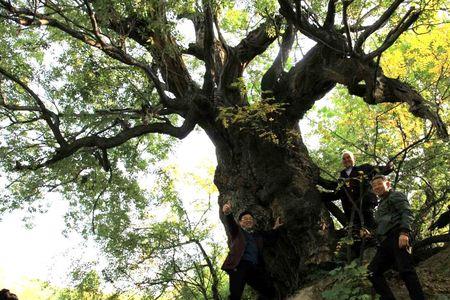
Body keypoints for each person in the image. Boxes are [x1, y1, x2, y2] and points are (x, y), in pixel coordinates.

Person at [367, 175, 425, 300]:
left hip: (398, 235)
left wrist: (404, 233)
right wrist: (370, 234)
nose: (376, 187)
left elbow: (407, 212)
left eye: (379, 183)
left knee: (406, 270)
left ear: (388, 184)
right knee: (372, 271)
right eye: (374, 185)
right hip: (386, 241)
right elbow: (383, 225)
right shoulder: (381, 204)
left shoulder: (395, 195)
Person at [221, 201, 283, 300]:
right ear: (240, 222)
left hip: (254, 267)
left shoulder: (257, 237)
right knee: (235, 295)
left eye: (250, 219)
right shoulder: (237, 232)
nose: (248, 220)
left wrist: (275, 228)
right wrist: (228, 213)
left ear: (253, 222)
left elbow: (270, 239)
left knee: (268, 291)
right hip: (239, 266)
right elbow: (231, 224)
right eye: (245, 219)